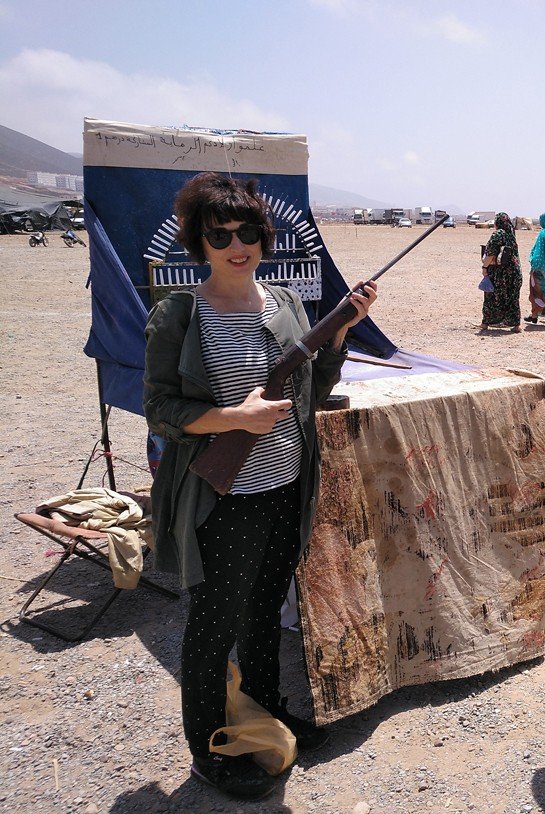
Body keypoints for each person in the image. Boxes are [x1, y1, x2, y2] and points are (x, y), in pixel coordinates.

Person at [143, 172, 376, 800]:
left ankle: (266, 711)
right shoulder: (180, 314)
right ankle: (210, 749)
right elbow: (160, 408)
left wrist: (340, 331)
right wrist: (233, 418)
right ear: (199, 242)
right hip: (224, 499)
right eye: (219, 235)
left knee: (265, 610)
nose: (236, 245)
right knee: (213, 626)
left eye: (247, 232)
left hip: (285, 489)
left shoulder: (286, 305)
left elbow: (313, 389)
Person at [480, 212, 522, 331]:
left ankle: (486, 323)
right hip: (514, 272)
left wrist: (484, 267)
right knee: (512, 297)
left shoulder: (498, 234)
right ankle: (515, 325)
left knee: (492, 296)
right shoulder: (511, 234)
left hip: (500, 273)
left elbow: (490, 253)